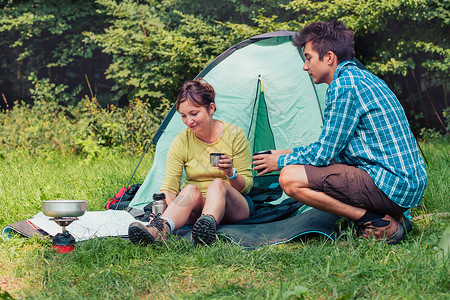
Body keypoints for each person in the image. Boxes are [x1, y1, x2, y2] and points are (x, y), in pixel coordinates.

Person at [252, 20, 427, 244]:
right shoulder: (362, 78)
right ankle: (395, 217)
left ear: (329, 57)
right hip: (406, 185)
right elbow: (335, 149)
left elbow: (323, 153)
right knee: (311, 166)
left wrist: (282, 161)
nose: (305, 67)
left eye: (308, 58)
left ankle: (376, 221)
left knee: (289, 178)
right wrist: (285, 152)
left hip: (391, 185)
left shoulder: (344, 86)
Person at [128, 79, 254, 245]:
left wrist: (231, 173)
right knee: (189, 189)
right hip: (198, 207)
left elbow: (247, 185)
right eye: (183, 116)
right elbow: (170, 186)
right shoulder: (181, 141)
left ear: (211, 108)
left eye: (194, 114)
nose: (189, 121)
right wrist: (168, 212)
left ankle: (205, 227)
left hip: (233, 205)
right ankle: (159, 230)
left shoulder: (235, 135)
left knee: (217, 184)